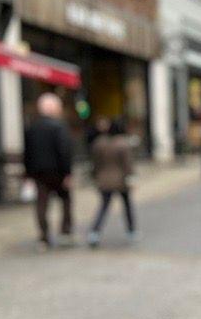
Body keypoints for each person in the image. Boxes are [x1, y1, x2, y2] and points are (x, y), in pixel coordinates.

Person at [23, 93, 74, 249]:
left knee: (41, 204)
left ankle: (44, 236)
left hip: (39, 173)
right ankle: (65, 232)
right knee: (65, 201)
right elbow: (64, 150)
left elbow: (27, 152)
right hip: (57, 172)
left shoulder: (32, 127)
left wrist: (28, 174)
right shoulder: (59, 127)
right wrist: (67, 173)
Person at [86, 118, 136, 247]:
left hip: (104, 180)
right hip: (121, 181)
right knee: (127, 206)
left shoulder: (99, 143)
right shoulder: (123, 144)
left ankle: (94, 233)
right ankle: (131, 231)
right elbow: (128, 164)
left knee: (104, 207)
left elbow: (95, 163)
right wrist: (131, 177)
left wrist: (95, 176)